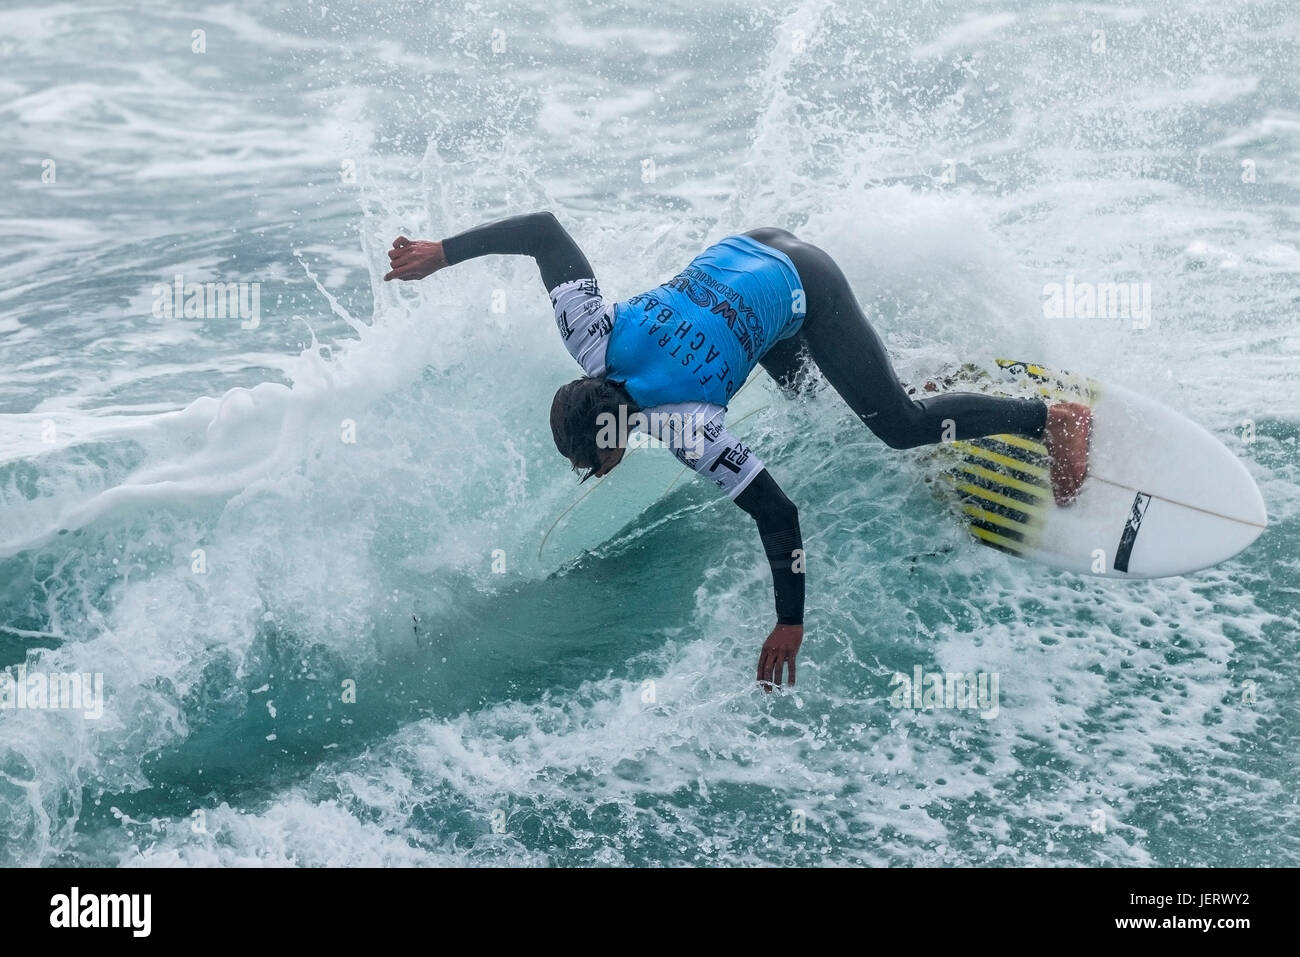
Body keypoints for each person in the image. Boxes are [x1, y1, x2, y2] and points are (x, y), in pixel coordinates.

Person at [384, 211, 1090, 691]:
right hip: (750, 246)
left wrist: (789, 621)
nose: (587, 472)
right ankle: (915, 376)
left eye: (586, 460)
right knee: (820, 402)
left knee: (897, 426)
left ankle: (1048, 419)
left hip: (806, 282)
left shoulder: (687, 424)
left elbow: (777, 514)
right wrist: (439, 254)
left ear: (607, 438)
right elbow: (543, 231)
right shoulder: (591, 336)